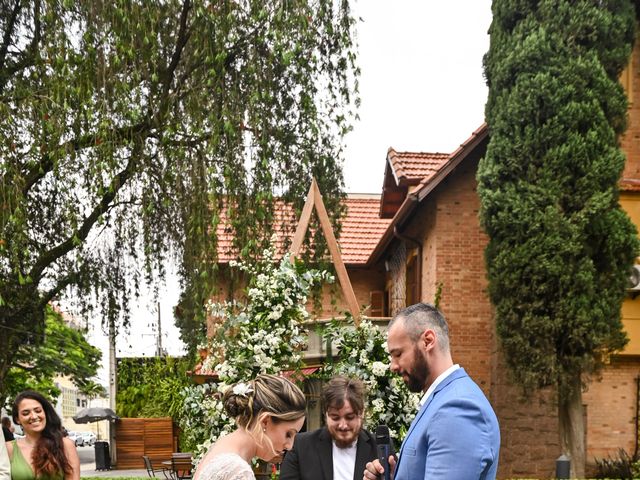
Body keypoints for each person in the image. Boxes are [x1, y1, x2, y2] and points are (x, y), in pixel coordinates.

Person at [363, 303, 500, 480]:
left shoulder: (457, 409)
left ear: (428, 341)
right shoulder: (442, 400)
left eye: (398, 354)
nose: (393, 366)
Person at [193, 374, 307, 480]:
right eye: (288, 434)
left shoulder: (223, 447)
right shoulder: (237, 470)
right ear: (265, 421)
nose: (290, 446)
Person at [280, 376, 378, 480]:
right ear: (325, 414)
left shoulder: (379, 447)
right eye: (335, 418)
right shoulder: (301, 445)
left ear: (361, 413)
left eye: (350, 417)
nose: (343, 425)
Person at [6, 390, 80, 480]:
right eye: (26, 413)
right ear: (17, 419)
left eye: (38, 411)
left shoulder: (65, 445)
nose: (33, 416)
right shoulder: (8, 449)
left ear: (45, 413)